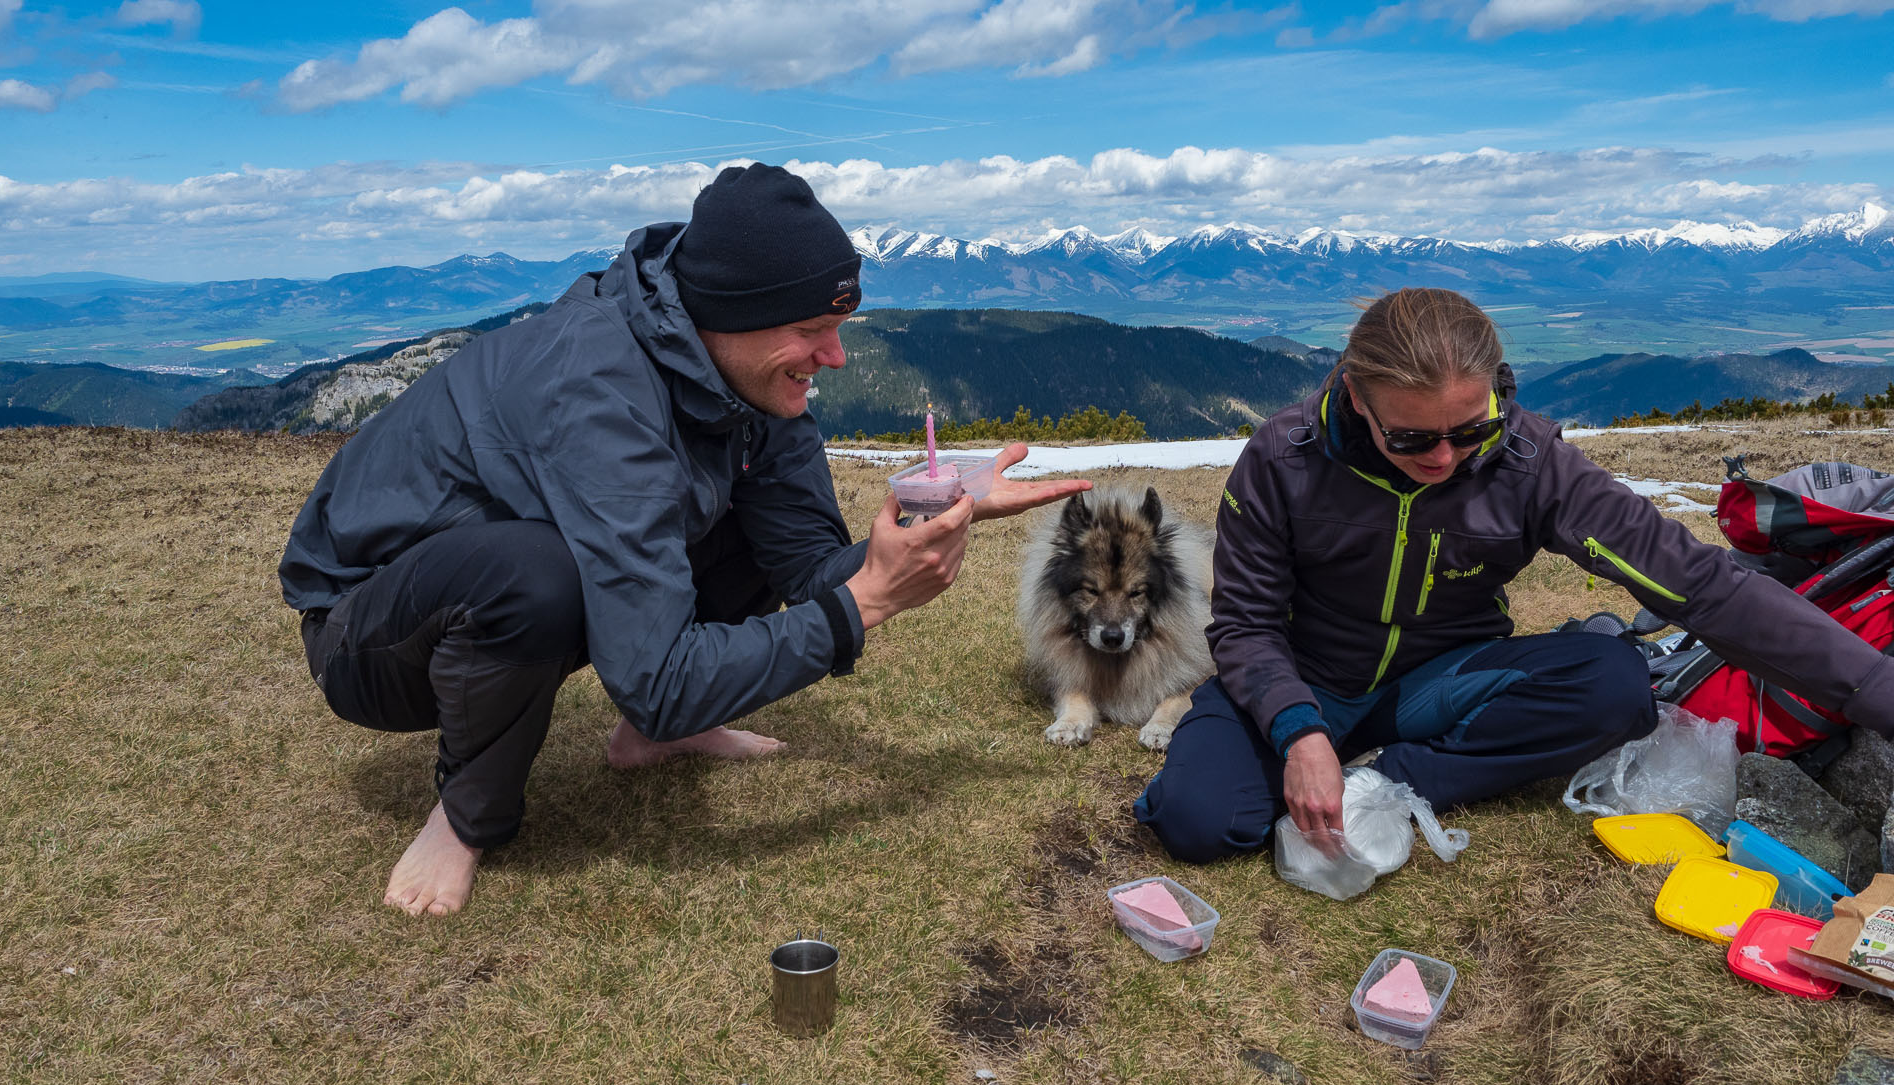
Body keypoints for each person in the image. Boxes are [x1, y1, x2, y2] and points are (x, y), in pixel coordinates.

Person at [280, 163, 1088, 916]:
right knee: (535, 575)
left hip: (500, 579)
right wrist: (866, 604)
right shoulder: (598, 392)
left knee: (705, 520)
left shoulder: (750, 386)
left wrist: (926, 512)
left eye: (841, 325)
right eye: (811, 328)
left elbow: (807, 569)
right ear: (726, 317)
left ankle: (659, 741)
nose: (835, 358)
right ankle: (463, 815)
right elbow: (660, 674)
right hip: (374, 631)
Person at [1133, 287, 1894, 863]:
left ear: (1496, 387)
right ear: (1355, 397)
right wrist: (1299, 734)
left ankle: (1390, 778)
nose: (1444, 458)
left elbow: (1702, 585)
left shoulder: (1531, 463)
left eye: (1471, 430)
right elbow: (1246, 625)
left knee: (1614, 685)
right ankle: (1322, 761)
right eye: (1412, 438)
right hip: (1307, 679)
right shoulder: (1283, 457)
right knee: (1197, 820)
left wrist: (1878, 692)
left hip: (1444, 682)